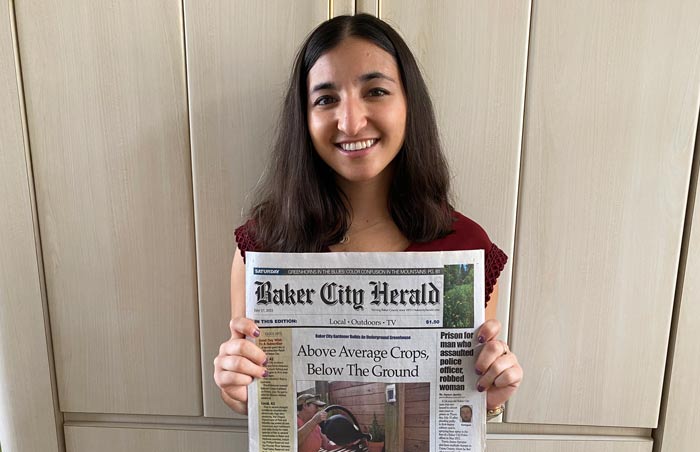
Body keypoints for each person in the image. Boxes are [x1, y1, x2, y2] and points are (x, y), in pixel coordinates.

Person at [213, 14, 523, 418]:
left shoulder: (465, 248)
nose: (351, 121)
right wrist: (235, 388)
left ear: (410, 103)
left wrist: (491, 397)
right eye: (326, 99)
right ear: (303, 119)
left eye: (375, 91)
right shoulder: (262, 243)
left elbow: (467, 403)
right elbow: (251, 396)